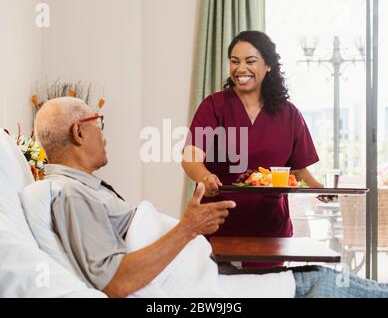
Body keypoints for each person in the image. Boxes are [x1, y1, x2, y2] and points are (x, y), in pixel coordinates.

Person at [33, 97, 388, 298]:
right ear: (80, 131)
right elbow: (117, 282)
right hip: (205, 286)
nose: (104, 133)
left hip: (211, 270)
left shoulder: (83, 190)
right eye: (99, 122)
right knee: (322, 282)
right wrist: (188, 228)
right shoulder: (69, 194)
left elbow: (301, 168)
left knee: (317, 275)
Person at [182, 31, 323, 267]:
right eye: (234, 61)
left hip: (269, 230)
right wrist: (205, 177)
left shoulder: (289, 114)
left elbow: (299, 171)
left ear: (268, 65)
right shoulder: (214, 106)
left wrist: (319, 188)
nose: (240, 69)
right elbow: (190, 158)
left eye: (250, 61)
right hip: (219, 225)